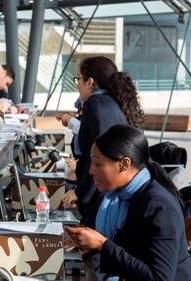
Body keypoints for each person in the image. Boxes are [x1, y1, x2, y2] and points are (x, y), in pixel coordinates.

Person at [64, 124, 191, 280]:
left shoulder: (160, 206)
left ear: (124, 164)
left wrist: (103, 245)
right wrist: (90, 243)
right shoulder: (121, 196)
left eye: (98, 164)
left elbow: (160, 277)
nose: (91, 171)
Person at [61, 56, 145, 228]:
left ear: (90, 82)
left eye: (78, 78)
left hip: (101, 193)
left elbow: (100, 157)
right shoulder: (109, 102)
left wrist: (81, 192)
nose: (77, 83)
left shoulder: (95, 103)